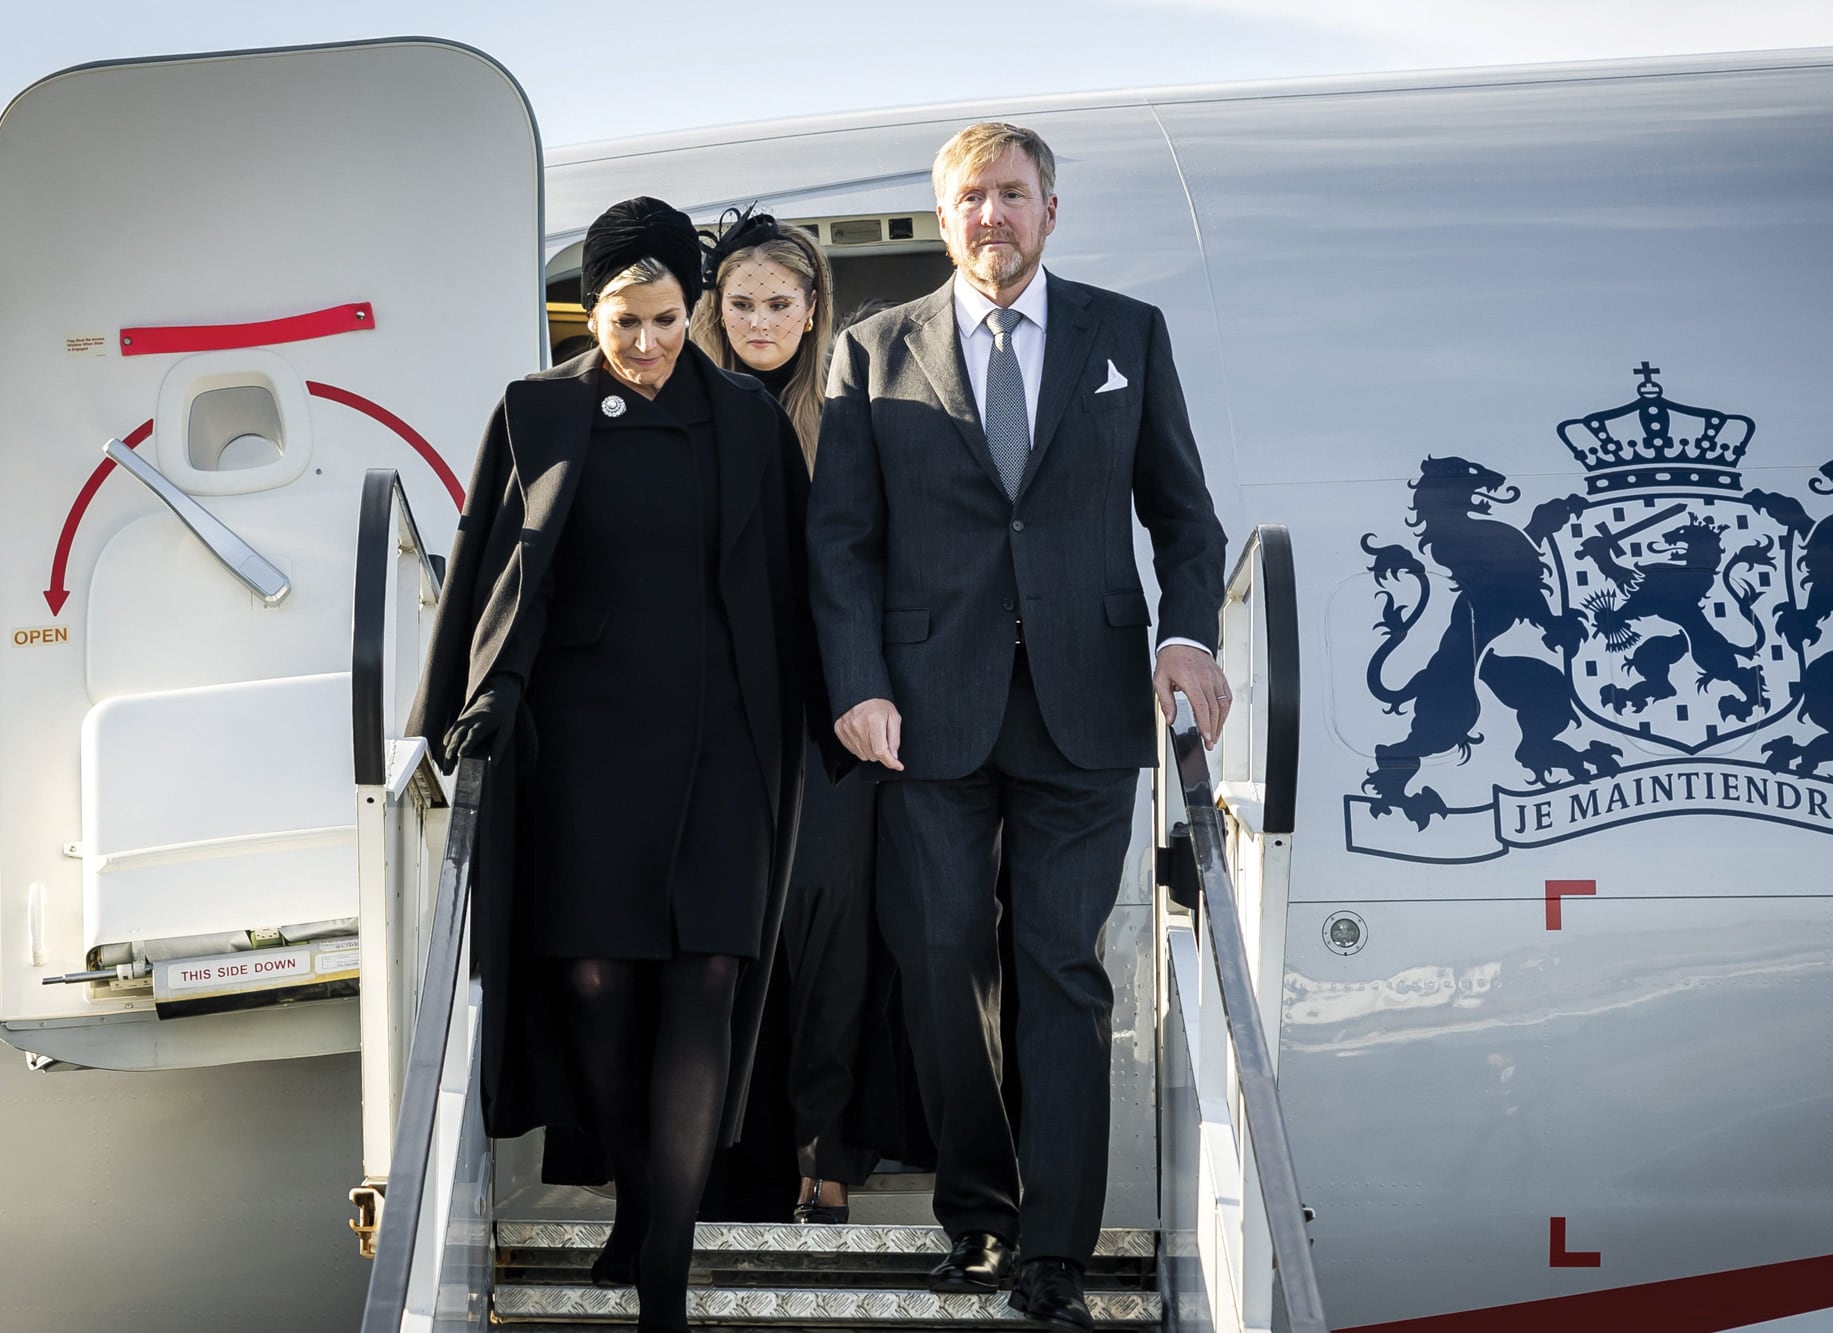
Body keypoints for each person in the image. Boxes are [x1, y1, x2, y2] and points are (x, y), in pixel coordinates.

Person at [807, 123, 1231, 1331]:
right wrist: (858, 679)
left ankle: (1051, 1250)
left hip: (1084, 703)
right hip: (922, 714)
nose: (990, 216)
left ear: (1051, 209)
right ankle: (976, 1209)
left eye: (1010, 194)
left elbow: (1182, 519)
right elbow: (838, 541)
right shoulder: (870, 352)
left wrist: (1182, 632)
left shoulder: (1124, 335)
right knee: (941, 963)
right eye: (968, 200)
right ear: (942, 223)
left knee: (1060, 972)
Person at [410, 196, 820, 1333]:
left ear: (692, 306)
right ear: (586, 313)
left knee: (706, 981)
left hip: (726, 741)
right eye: (621, 320)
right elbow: (485, 569)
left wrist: (844, 706)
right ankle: (642, 1193)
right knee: (593, 983)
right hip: (583, 745)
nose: (644, 345)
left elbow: (799, 577)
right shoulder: (538, 410)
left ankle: (664, 1282)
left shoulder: (744, 418)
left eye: (664, 318)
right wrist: (453, 706)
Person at [693, 210, 881, 1222]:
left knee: (832, 946)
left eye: (779, 302)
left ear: (812, 312)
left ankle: (827, 1148)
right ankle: (737, 1158)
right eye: (742, 303)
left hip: (829, 726)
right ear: (714, 312)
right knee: (729, 947)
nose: (761, 319)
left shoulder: (850, 413)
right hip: (721, 730)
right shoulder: (691, 412)